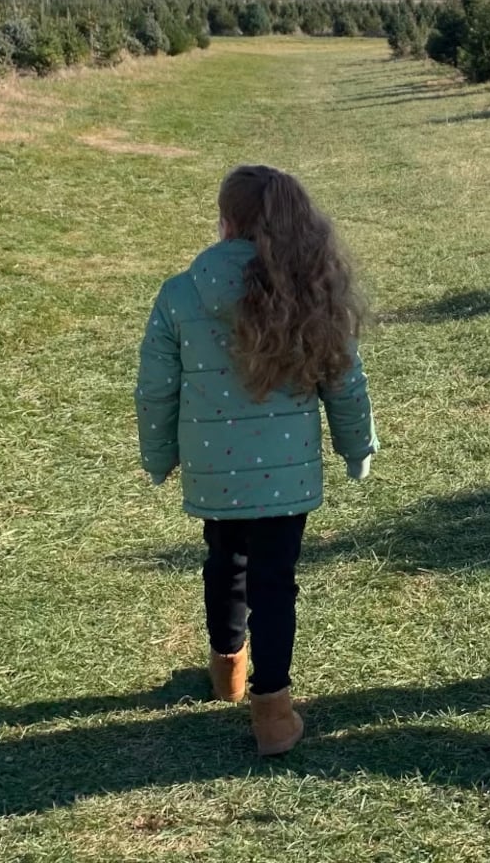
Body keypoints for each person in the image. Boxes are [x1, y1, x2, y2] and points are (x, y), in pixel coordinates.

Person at [135, 164, 378, 754]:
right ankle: (273, 711)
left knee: (224, 561)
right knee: (275, 582)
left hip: (214, 469)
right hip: (285, 475)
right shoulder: (309, 288)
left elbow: (155, 386)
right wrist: (356, 445)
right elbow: (343, 381)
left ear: (225, 221)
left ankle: (228, 672)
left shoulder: (181, 293)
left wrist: (159, 454)